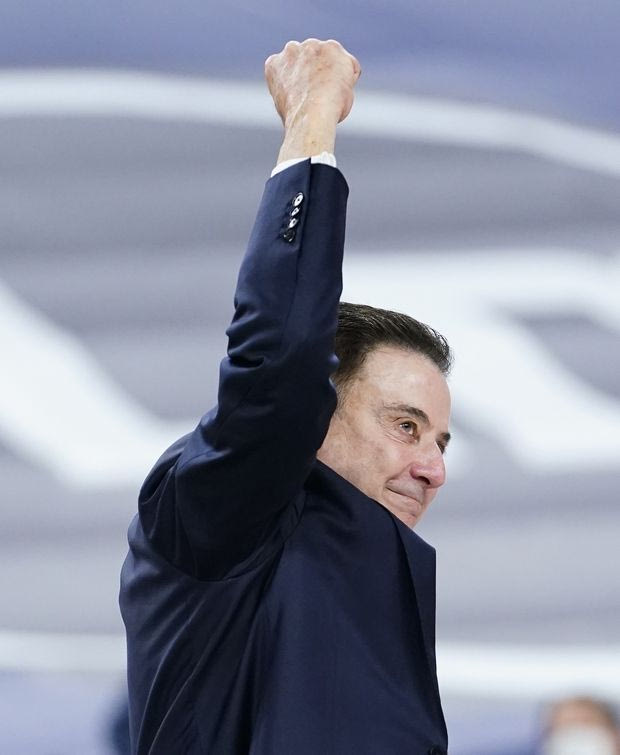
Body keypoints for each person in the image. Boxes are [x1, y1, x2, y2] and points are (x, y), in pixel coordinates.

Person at [120, 39, 451, 754]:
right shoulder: (220, 515)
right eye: (405, 425)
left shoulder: (380, 584)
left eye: (439, 441)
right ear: (318, 411)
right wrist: (312, 121)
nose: (433, 468)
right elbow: (284, 355)